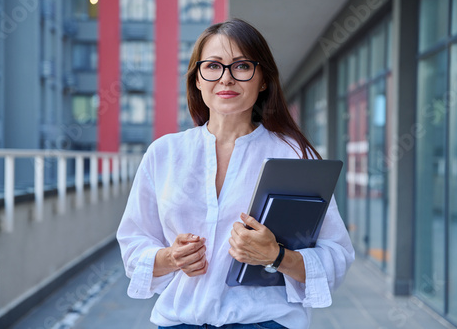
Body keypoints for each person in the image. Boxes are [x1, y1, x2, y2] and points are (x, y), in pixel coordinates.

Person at [117, 18, 355, 329]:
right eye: (213, 66)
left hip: (265, 322)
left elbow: (337, 253)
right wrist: (170, 258)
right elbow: (134, 243)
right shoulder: (164, 153)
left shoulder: (294, 155)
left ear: (263, 79)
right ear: (197, 80)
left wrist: (276, 255)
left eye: (241, 66)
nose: (226, 79)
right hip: (178, 321)